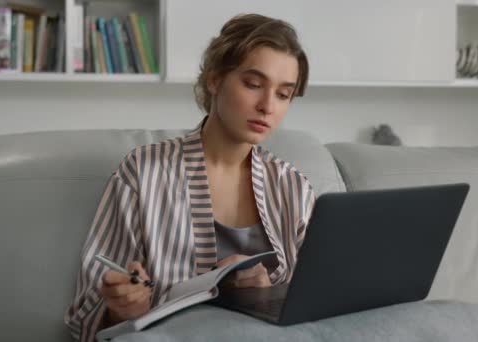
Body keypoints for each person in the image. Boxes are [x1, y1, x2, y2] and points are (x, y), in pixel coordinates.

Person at [64, 13, 315, 342]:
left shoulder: (293, 187)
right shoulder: (143, 172)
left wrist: (267, 293)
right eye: (253, 84)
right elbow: (87, 311)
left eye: (283, 94)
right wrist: (122, 308)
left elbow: (314, 305)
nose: (268, 106)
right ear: (214, 80)